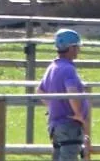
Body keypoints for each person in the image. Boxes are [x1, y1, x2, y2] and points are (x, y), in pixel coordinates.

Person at [38, 28, 90, 161]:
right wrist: (78, 114)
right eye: (77, 47)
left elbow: (40, 91)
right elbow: (72, 92)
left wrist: (53, 106)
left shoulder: (52, 67)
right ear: (71, 48)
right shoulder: (68, 69)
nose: (78, 50)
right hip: (69, 125)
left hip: (55, 125)